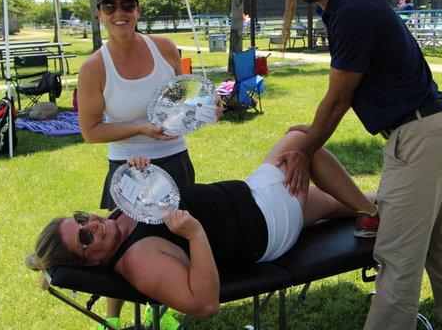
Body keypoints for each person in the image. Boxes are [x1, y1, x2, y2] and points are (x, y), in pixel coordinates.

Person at [274, 0, 442, 329]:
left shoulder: (351, 8)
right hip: (437, 126)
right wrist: (314, 132)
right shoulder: (343, 6)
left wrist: (305, 149)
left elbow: (339, 97)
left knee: (397, 260)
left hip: (418, 135)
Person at [27, 131, 377, 317]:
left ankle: (401, 204)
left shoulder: (119, 214)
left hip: (252, 197)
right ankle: (369, 211)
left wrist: (145, 175)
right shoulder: (139, 262)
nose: (93, 223)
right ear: (89, 261)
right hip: (265, 221)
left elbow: (168, 197)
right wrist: (194, 235)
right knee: (302, 143)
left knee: (341, 202)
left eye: (81, 218)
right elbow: (204, 304)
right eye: (84, 237)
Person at [77, 0, 200, 329]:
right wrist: (141, 128)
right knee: (119, 245)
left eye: (127, 4)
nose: (120, 12)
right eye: (110, 5)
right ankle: (112, 321)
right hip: (127, 169)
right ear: (99, 13)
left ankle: (159, 308)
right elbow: (91, 131)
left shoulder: (164, 49)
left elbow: (183, 100)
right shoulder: (94, 68)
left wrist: (208, 106)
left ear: (138, 9)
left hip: (176, 159)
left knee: (173, 237)